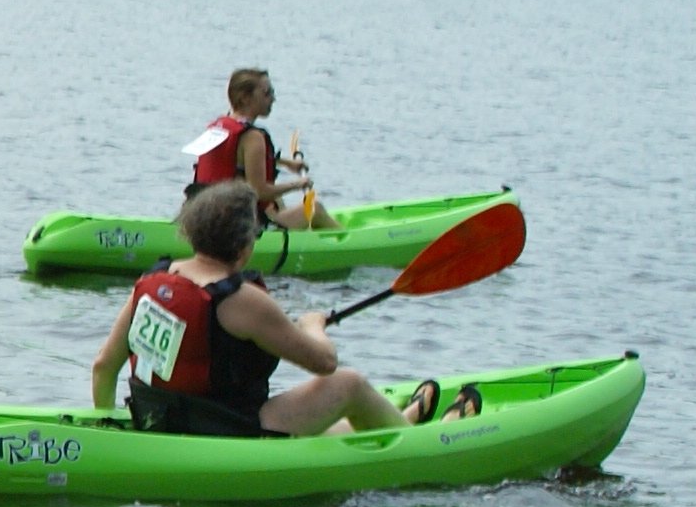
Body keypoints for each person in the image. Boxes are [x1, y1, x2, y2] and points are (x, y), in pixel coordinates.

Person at [92, 179, 462, 435]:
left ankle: (401, 418)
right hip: (228, 431)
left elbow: (104, 367)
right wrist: (313, 325)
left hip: (160, 420)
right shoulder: (242, 299)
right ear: (244, 247)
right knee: (347, 384)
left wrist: (109, 426)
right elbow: (324, 362)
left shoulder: (152, 281)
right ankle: (422, 440)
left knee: (324, 422)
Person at [184, 68, 313, 231]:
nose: (273, 99)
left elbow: (233, 159)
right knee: (315, 209)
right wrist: (298, 184)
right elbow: (259, 191)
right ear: (245, 98)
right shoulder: (253, 137)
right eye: (267, 93)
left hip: (203, 217)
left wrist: (286, 163)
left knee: (277, 200)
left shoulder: (221, 127)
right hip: (237, 227)